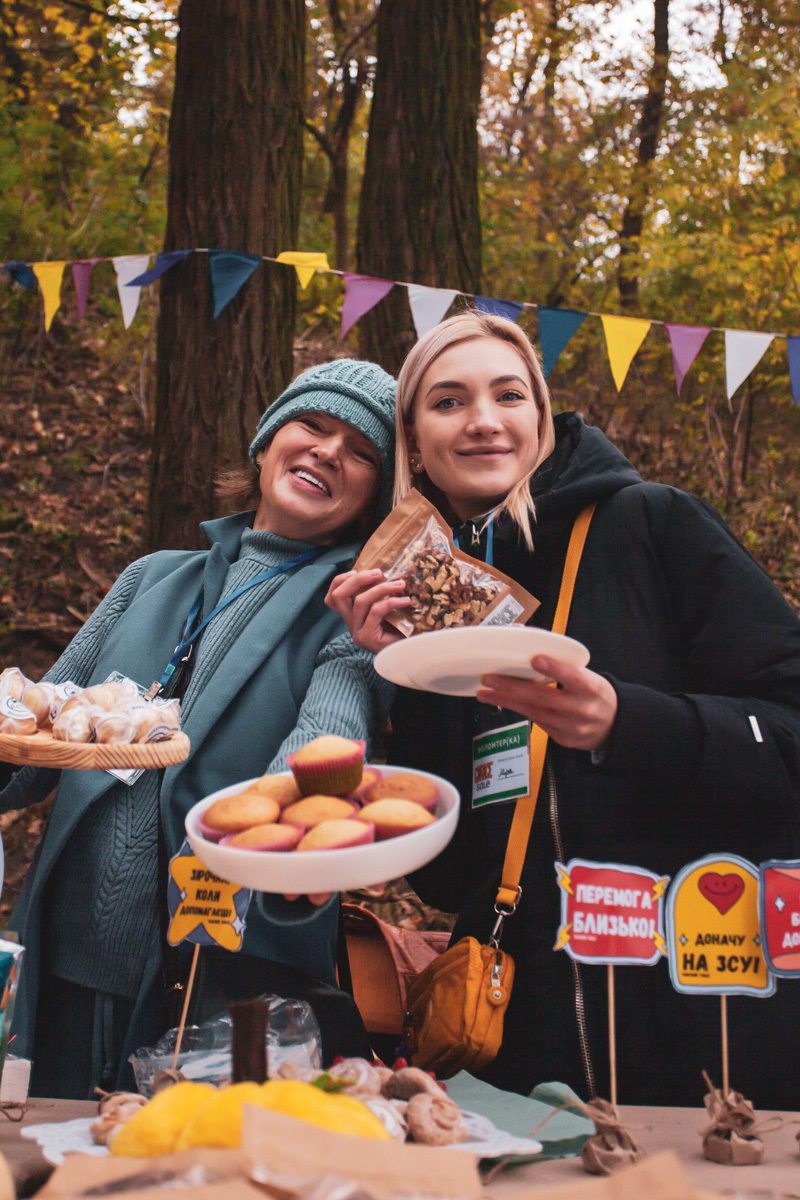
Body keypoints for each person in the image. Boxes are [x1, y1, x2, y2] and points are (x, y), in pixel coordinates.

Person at [326, 312, 800, 1109]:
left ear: (540, 420)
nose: (482, 419)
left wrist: (626, 724)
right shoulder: (436, 593)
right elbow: (448, 875)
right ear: (414, 443)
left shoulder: (655, 524)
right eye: (448, 401)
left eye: (508, 395)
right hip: (531, 1052)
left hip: (713, 1028)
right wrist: (401, 672)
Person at [0, 358, 397, 1099]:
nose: (328, 450)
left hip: (217, 987)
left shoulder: (353, 619)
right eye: (313, 424)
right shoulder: (151, 578)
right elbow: (30, 744)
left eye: (363, 451)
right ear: (267, 440)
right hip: (63, 965)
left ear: (377, 492)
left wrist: (293, 843)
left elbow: (321, 755)